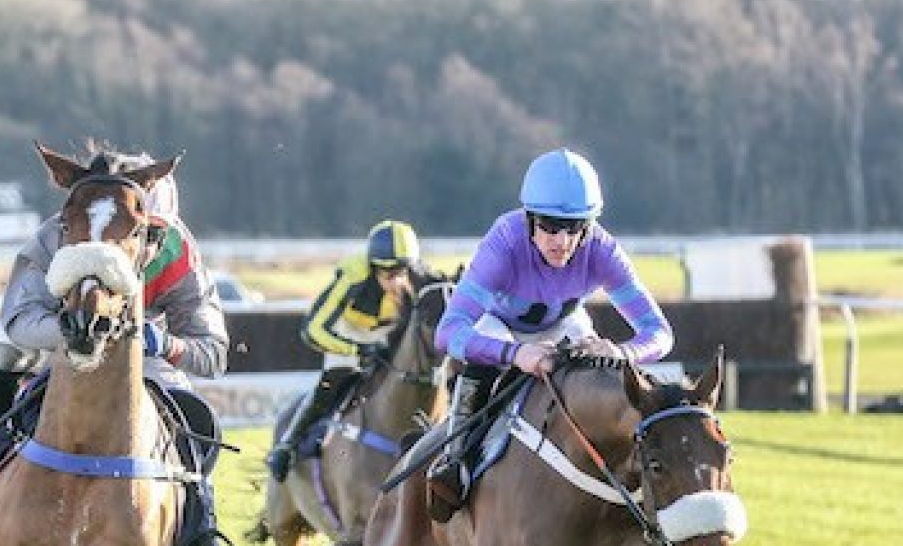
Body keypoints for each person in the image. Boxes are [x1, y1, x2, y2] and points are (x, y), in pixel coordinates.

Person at [0, 146, 241, 546]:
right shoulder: (57, 235)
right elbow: (18, 320)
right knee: (1, 355)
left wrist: (163, 343)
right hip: (62, 345)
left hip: (141, 356)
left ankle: (203, 528)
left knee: (192, 416)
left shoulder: (179, 250)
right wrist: (72, 331)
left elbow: (213, 353)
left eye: (147, 236)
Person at [425, 147, 673, 523]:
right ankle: (455, 461)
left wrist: (624, 354)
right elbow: (449, 333)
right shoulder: (503, 245)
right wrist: (514, 355)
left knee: (603, 371)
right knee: (480, 362)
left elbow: (659, 333)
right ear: (528, 220)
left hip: (564, 325)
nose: (563, 241)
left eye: (575, 228)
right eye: (549, 226)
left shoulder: (603, 249)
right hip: (498, 327)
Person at [265, 218, 435, 482]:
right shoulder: (353, 276)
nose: (396, 282)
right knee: (335, 377)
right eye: (387, 275)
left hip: (390, 330)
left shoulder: (421, 276)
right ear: (372, 268)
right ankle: (288, 445)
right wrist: (356, 349)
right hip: (349, 330)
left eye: (402, 272)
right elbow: (312, 330)